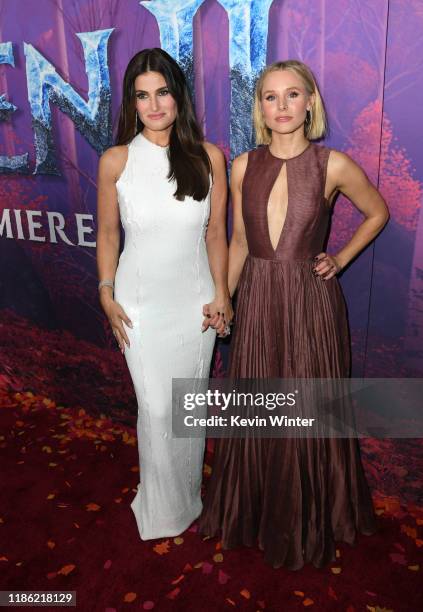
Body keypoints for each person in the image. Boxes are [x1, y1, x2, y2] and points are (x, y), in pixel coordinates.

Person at [198, 60, 389, 569]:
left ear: (310, 104)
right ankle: (256, 512)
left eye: (292, 95)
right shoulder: (242, 166)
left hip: (311, 302)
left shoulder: (335, 164)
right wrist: (224, 296)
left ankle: (310, 517)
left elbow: (379, 212)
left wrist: (341, 258)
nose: (281, 106)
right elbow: (239, 242)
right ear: (259, 107)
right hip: (258, 298)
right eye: (269, 97)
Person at [96, 48, 232, 540]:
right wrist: (106, 291)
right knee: (155, 408)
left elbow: (216, 234)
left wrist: (223, 293)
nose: (154, 105)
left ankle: (186, 498)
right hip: (139, 305)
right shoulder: (116, 161)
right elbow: (109, 234)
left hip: (194, 304)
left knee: (187, 406)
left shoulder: (208, 156)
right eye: (141, 95)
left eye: (163, 92)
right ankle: (160, 506)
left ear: (178, 97)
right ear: (131, 104)